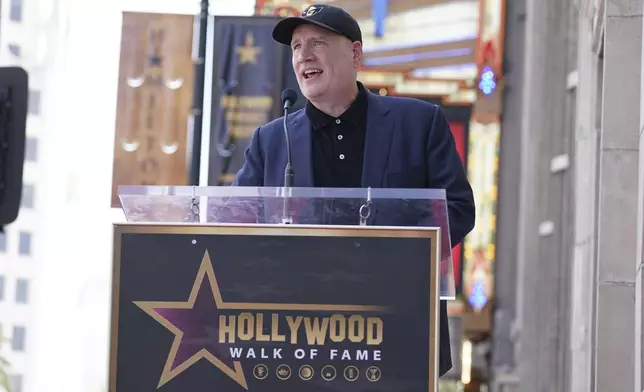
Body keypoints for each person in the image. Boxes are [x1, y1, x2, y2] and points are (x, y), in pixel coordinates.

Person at [233, 3, 475, 377]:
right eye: (296, 47)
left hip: (398, 328)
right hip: (298, 340)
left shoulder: (418, 122)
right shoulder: (270, 140)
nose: (304, 55)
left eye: (318, 43)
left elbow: (458, 209)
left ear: (355, 53)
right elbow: (236, 226)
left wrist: (388, 254)